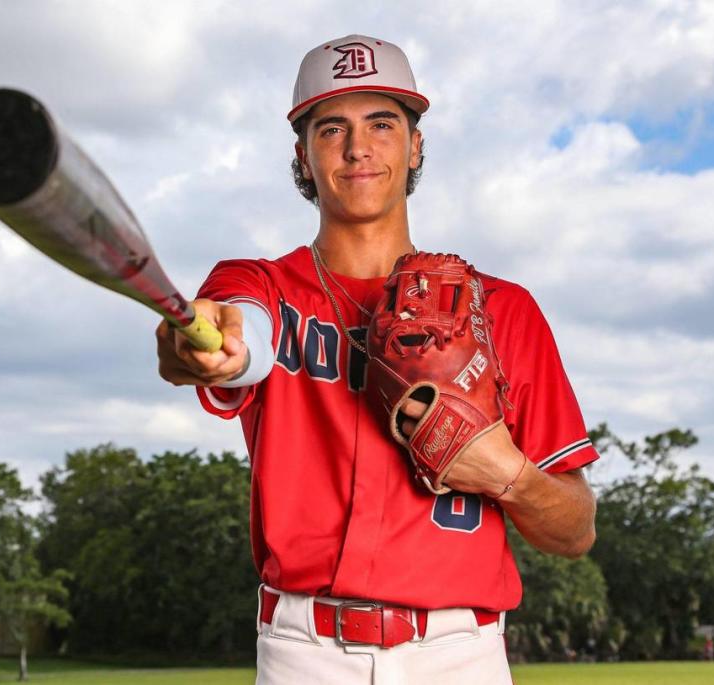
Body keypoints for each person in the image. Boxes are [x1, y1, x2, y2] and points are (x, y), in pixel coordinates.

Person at [156, 34, 599, 685]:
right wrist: (213, 349)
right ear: (302, 157)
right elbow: (232, 332)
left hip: (461, 654)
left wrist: (508, 475)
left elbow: (575, 531)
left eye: (381, 124)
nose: (357, 147)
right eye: (330, 127)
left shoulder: (504, 310)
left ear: (415, 145)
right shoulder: (261, 288)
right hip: (303, 653)